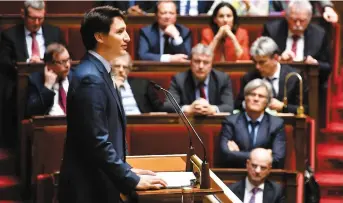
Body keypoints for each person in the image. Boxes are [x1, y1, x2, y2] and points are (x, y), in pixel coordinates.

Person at [58, 6, 167, 203]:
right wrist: (129, 178)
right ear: (99, 36)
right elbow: (97, 141)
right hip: (89, 189)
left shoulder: (99, 71)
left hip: (99, 182)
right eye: (120, 32)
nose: (127, 38)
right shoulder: (91, 78)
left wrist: (127, 169)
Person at [0, 0, 65, 147]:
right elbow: (5, 63)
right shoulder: (10, 36)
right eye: (33, 18)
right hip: (21, 84)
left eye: (40, 18)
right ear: (23, 14)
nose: (37, 22)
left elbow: (65, 55)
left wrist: (43, 62)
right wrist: (28, 64)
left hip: (52, 79)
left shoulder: (54, 32)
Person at [219, 79, 286, 169]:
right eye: (252, 94)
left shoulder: (276, 124)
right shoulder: (231, 122)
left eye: (261, 96)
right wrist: (264, 155)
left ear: (268, 102)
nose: (256, 99)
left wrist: (237, 154)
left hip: (265, 178)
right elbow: (225, 155)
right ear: (245, 98)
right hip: (237, 175)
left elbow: (278, 159)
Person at [235, 36, 308, 114]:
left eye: (262, 62)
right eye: (255, 62)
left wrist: (283, 107)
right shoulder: (249, 78)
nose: (257, 67)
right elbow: (238, 105)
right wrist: (251, 103)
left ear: (276, 58)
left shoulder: (294, 77)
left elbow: (306, 108)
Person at [162, 43, 234, 115]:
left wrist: (212, 109)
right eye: (197, 61)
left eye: (206, 62)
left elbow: (229, 107)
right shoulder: (179, 80)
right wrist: (188, 108)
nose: (201, 66)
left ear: (211, 64)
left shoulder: (222, 79)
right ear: (191, 62)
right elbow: (168, 106)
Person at [26, 43, 72, 117]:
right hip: (51, 125)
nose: (67, 65)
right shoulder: (36, 80)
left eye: (68, 60)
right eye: (62, 62)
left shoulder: (76, 77)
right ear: (49, 65)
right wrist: (47, 86)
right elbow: (33, 112)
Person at [270, 0, 338, 24]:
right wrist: (283, 14)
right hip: (286, 27)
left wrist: (328, 8)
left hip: (311, 25)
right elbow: (271, 13)